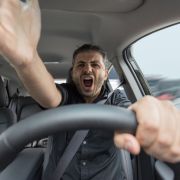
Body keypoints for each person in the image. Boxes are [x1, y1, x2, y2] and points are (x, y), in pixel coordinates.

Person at [0, 0, 180, 173]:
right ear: (73, 72)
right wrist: (28, 60)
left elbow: (134, 111)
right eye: (80, 65)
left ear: (106, 73)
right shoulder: (66, 96)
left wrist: (154, 115)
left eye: (95, 65)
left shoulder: (115, 100)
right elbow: (49, 96)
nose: (87, 68)